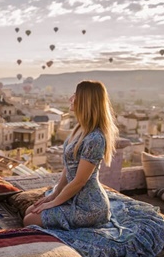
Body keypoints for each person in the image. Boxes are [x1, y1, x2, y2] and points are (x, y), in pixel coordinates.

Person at [23, 80, 119, 229]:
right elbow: (68, 169)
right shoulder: (79, 129)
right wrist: (53, 196)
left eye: (75, 95)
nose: (70, 98)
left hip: (89, 207)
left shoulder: (95, 139)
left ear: (85, 101)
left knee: (29, 220)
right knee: (29, 212)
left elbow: (80, 181)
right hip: (73, 196)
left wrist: (54, 203)